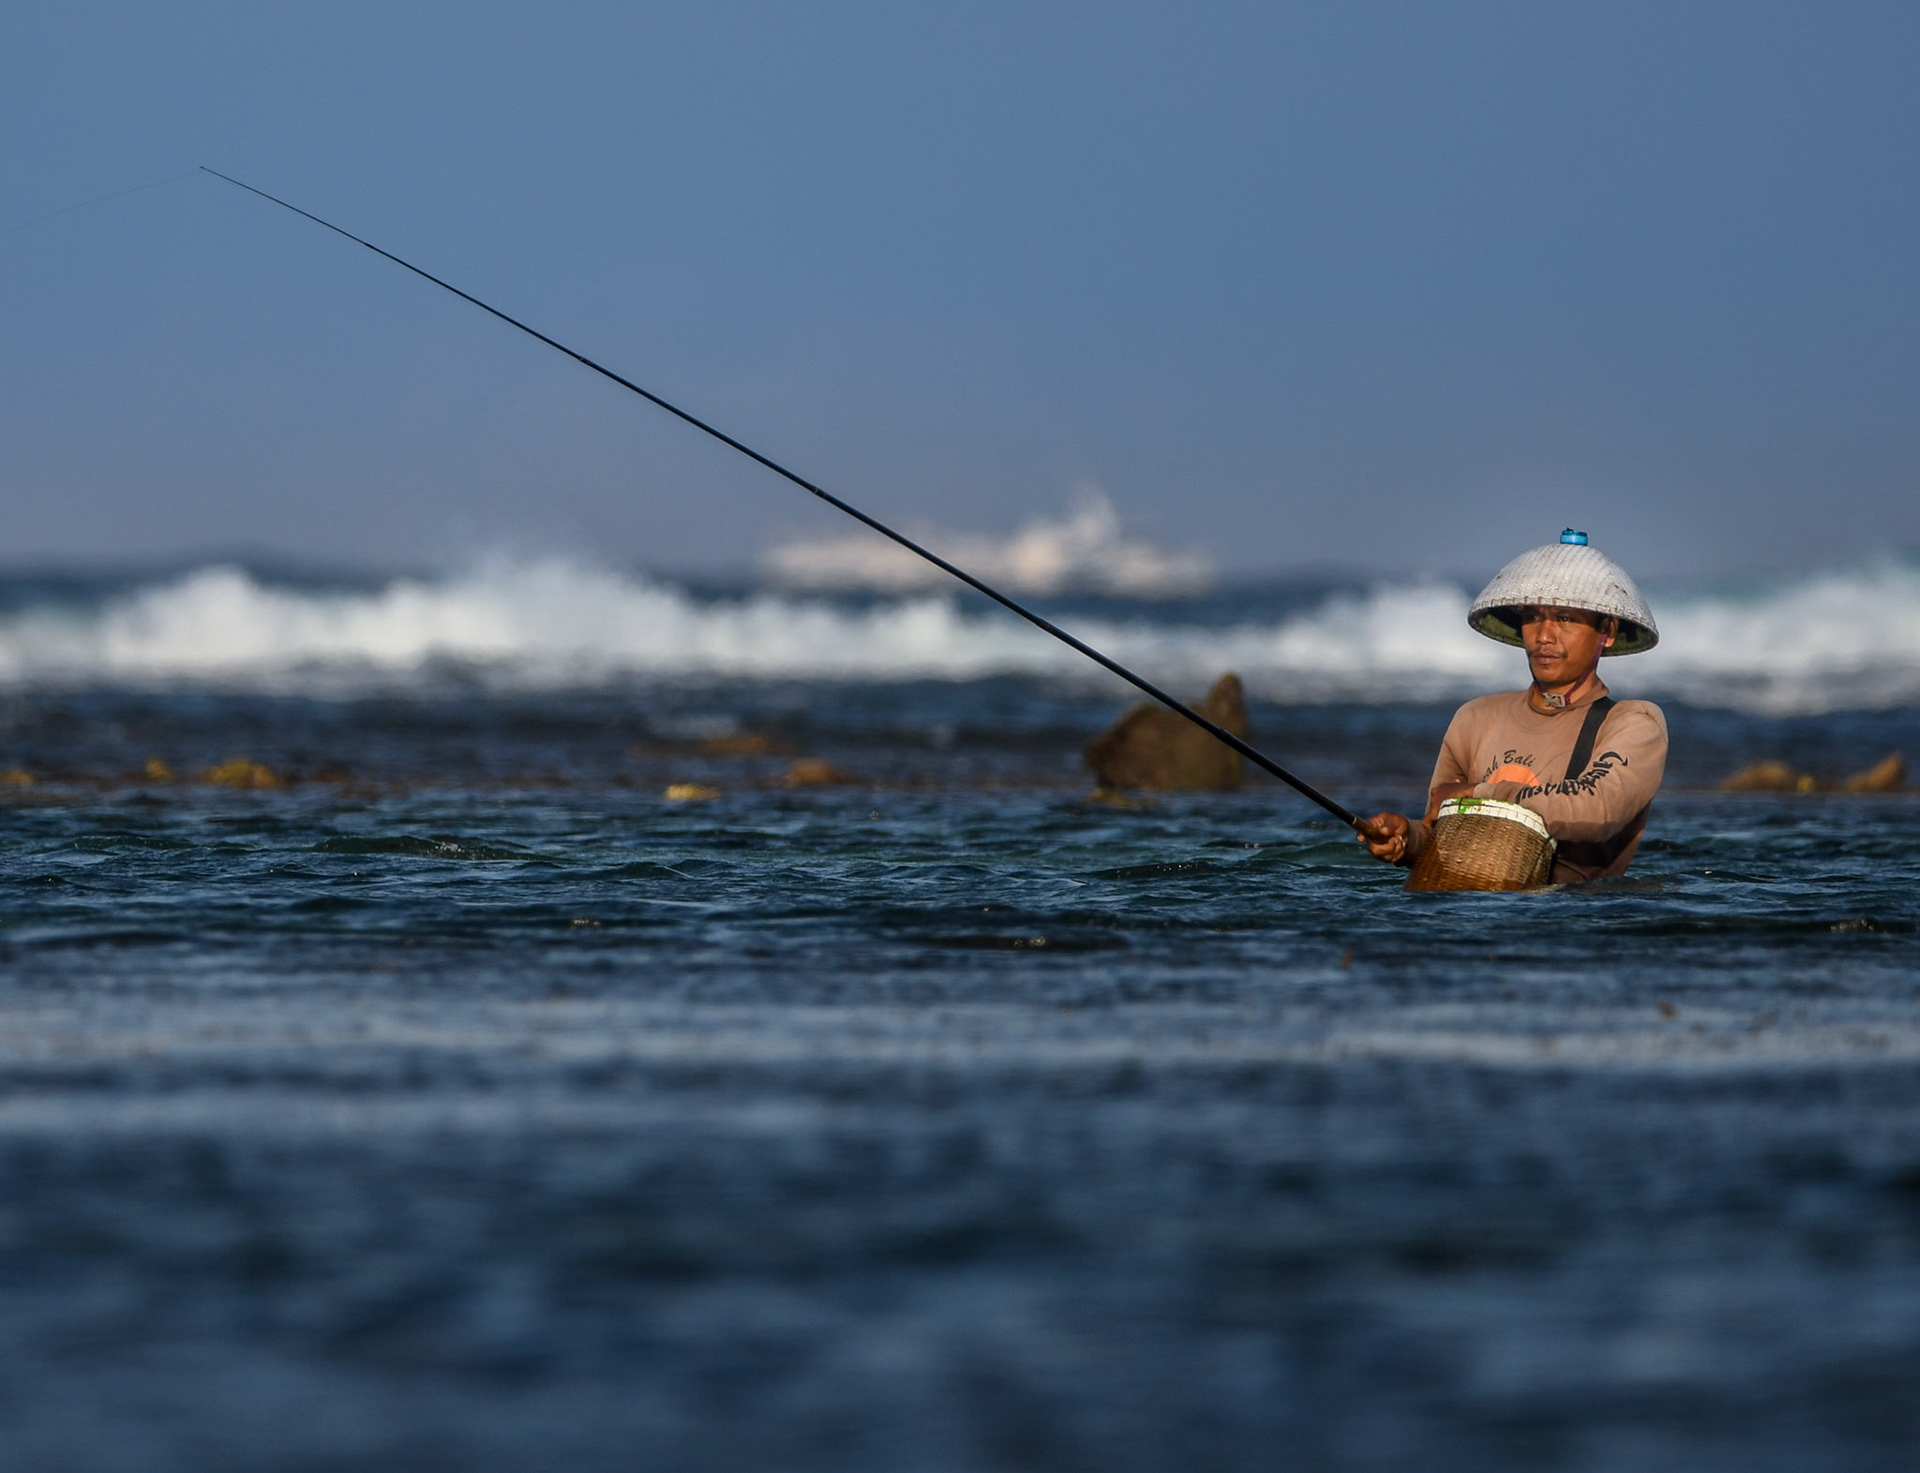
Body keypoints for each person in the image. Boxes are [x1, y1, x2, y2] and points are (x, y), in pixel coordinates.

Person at [1357, 530, 1667, 884]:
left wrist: (1479, 793)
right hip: (1464, 910)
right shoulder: (1474, 718)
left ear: (1607, 631)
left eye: (1565, 618)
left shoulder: (1634, 723)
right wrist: (1407, 840)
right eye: (1533, 617)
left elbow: (1598, 810)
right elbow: (1443, 840)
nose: (1544, 636)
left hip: (1570, 912)